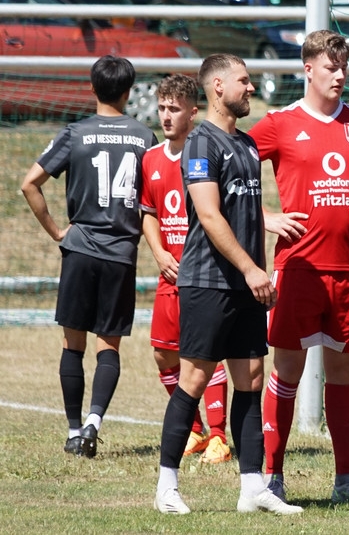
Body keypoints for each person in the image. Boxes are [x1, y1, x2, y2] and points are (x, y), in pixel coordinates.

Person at [246, 30, 349, 506]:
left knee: (342, 373)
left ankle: (346, 480)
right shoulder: (280, 123)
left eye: (344, 67)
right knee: (288, 368)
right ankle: (273, 476)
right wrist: (266, 217)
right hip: (299, 268)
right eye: (331, 67)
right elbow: (229, 174)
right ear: (308, 69)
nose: (340, 75)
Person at [153, 54, 301, 516]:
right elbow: (209, 215)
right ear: (218, 86)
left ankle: (252, 487)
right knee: (195, 379)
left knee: (251, 378)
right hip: (209, 281)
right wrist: (252, 269)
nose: (251, 88)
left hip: (245, 283)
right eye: (244, 80)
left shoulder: (248, 144)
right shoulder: (201, 142)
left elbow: (243, 210)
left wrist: (261, 256)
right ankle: (166, 487)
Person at [21, 55, 157, 459]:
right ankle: (94, 423)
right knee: (108, 345)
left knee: (73, 342)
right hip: (121, 253)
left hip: (79, 248)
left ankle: (73, 429)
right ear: (129, 92)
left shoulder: (75, 133)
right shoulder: (144, 137)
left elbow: (29, 184)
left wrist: (56, 231)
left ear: (92, 88)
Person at [140, 74, 231, 465]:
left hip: (202, 272)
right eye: (162, 107)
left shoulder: (204, 153)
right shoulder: (151, 159)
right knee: (164, 353)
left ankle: (219, 435)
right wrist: (159, 253)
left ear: (193, 112)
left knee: (204, 353)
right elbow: (148, 212)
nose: (166, 116)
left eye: (174, 109)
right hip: (170, 272)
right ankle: (194, 429)